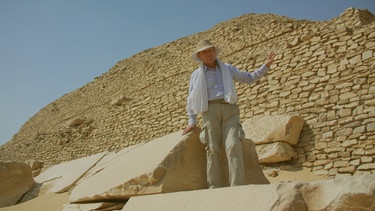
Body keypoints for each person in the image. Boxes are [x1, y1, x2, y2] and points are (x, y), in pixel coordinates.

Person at [182, 40, 276, 188]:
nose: (209, 54)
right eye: (205, 52)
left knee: (233, 146)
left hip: (229, 109)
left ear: (215, 51)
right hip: (209, 111)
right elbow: (192, 99)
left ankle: (237, 186)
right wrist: (192, 121)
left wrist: (265, 66)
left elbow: (249, 78)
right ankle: (214, 187)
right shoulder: (196, 75)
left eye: (211, 50)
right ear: (199, 56)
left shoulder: (228, 68)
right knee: (212, 149)